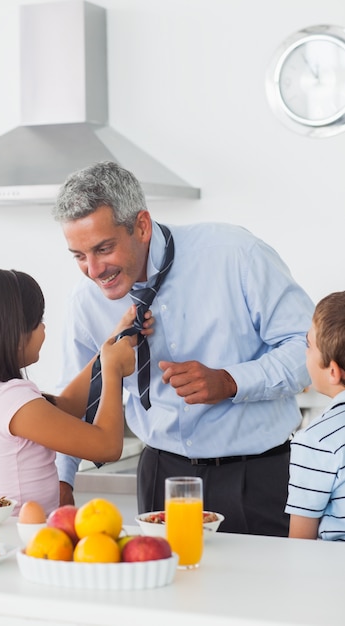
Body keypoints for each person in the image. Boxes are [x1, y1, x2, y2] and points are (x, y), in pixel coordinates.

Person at [52, 160, 315, 536]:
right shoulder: (85, 303)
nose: (93, 270)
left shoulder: (236, 254)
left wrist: (231, 381)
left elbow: (306, 349)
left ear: (141, 226)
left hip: (257, 476)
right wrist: (63, 483)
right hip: (162, 475)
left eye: (103, 249)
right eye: (79, 256)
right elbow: (74, 404)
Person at [0, 268, 151, 515]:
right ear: (11, 333)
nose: (44, 328)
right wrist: (112, 371)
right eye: (38, 321)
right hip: (27, 540)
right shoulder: (10, 400)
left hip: (7, 534)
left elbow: (66, 405)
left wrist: (112, 342)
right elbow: (107, 447)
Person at [286, 291, 345, 541]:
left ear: (333, 372)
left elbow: (300, 543)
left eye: (309, 345)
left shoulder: (315, 441)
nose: (305, 353)